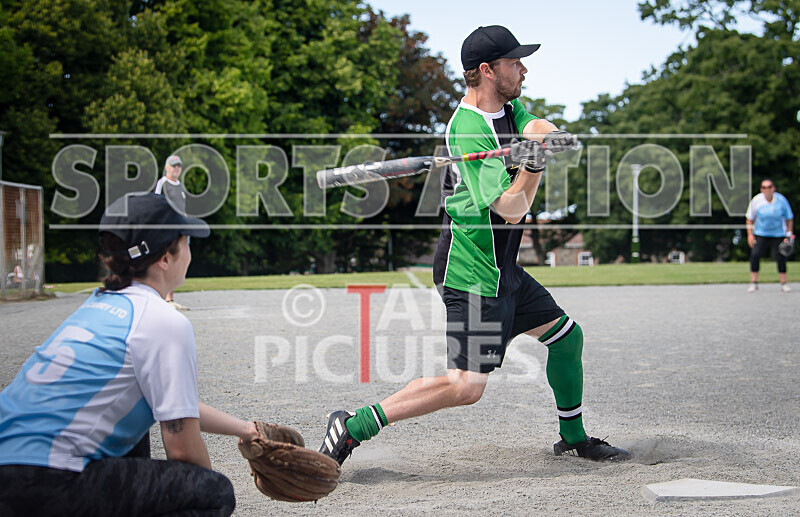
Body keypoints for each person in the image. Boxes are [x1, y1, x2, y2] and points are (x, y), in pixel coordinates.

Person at [318, 25, 630, 466]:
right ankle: (351, 426)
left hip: (504, 269)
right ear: (487, 70)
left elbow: (533, 122)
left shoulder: (507, 107)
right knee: (466, 387)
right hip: (472, 271)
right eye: (514, 62)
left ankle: (574, 439)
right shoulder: (467, 131)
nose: (523, 69)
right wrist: (533, 164)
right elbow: (511, 208)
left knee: (566, 338)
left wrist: (543, 135)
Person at [0, 193, 259, 516]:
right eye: (186, 241)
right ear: (165, 258)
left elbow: (171, 402)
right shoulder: (163, 321)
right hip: (44, 483)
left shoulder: (99, 304)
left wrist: (244, 429)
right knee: (210, 491)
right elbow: (184, 454)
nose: (190, 251)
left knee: (136, 432)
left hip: (11, 466)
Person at [745, 179, 795, 292]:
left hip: (778, 233)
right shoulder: (756, 200)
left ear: (773, 188)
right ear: (761, 189)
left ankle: (784, 284)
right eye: (764, 187)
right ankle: (753, 283)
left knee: (781, 256)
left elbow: (789, 218)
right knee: (755, 255)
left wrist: (789, 234)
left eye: (769, 187)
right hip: (761, 233)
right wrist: (750, 235)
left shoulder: (781, 200)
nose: (766, 189)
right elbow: (749, 219)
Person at [155, 154, 190, 309]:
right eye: (173, 165)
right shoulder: (162, 183)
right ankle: (164, 298)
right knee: (165, 260)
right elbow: (155, 204)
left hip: (181, 228)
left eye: (178, 166)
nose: (176, 168)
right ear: (167, 167)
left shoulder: (180, 185)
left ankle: (170, 298)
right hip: (167, 227)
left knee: (177, 260)